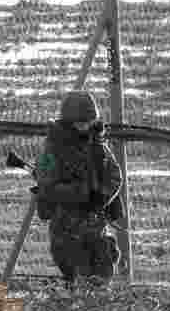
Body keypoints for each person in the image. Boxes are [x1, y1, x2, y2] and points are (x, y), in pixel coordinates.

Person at [36, 90, 124, 291]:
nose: (85, 127)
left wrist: (102, 195)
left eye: (88, 122)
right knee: (79, 284)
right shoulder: (53, 148)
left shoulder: (98, 145)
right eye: (80, 122)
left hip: (97, 228)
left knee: (102, 281)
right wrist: (82, 193)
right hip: (67, 230)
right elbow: (47, 185)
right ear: (68, 122)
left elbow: (114, 175)